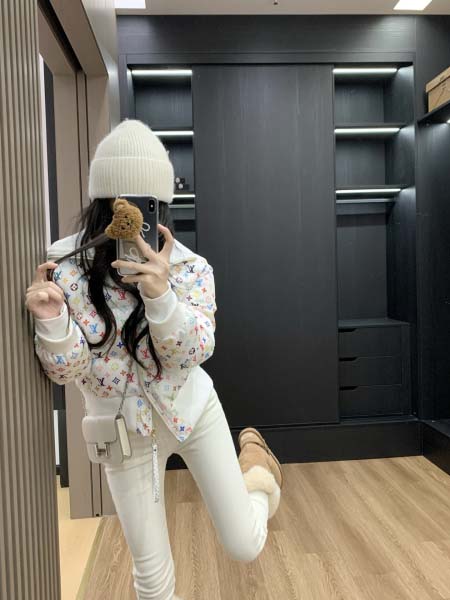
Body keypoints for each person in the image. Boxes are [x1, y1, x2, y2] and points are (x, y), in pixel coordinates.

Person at [25, 119, 283, 600]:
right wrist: (52, 320)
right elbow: (66, 371)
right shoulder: (64, 269)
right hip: (122, 435)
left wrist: (162, 297)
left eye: (145, 206)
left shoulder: (190, 268)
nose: (129, 218)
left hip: (194, 412)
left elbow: (194, 353)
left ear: (159, 209)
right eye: (117, 203)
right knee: (152, 581)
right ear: (101, 204)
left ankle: (259, 471)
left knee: (244, 543)